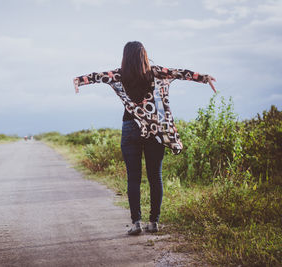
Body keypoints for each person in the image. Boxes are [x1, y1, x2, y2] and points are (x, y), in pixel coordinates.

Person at [73, 41, 216, 235]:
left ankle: (136, 224)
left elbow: (98, 77)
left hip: (130, 128)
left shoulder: (119, 75)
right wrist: (204, 78)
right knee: (154, 176)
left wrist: (79, 81)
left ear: (125, 57)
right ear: (144, 56)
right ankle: (154, 222)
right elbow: (180, 73)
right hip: (155, 130)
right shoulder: (155, 72)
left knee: (133, 178)